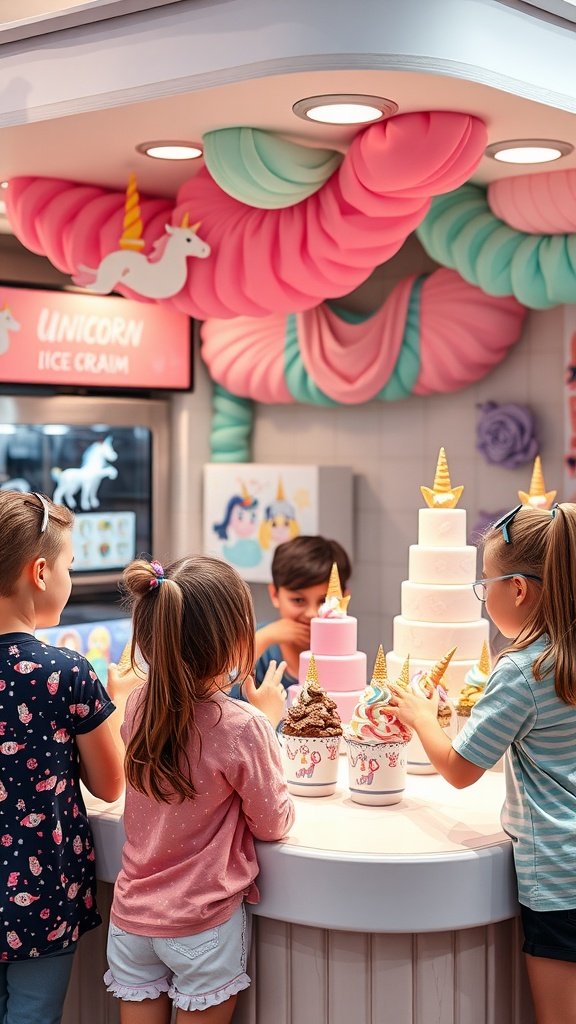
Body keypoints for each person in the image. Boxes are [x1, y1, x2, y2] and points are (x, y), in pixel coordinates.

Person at [388, 503, 576, 1024]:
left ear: (516, 590)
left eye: (484, 584)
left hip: (559, 875)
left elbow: (459, 769)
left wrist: (422, 716)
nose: (483, 596)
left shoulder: (522, 671)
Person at [104, 555, 295, 1024]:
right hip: (200, 925)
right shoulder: (243, 726)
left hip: (130, 919)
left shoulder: (137, 705)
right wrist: (268, 724)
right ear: (237, 640)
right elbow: (273, 823)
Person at [0, 491, 123, 1024]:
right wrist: (118, 704)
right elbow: (110, 784)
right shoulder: (67, 672)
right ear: (41, 571)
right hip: (40, 893)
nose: (70, 579)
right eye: (70, 566)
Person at [231, 535, 352, 705]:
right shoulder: (256, 642)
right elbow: (225, 697)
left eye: (324, 601)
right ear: (275, 594)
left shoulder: (344, 654)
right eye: (298, 600)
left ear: (344, 597)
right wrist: (262, 639)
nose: (312, 613)